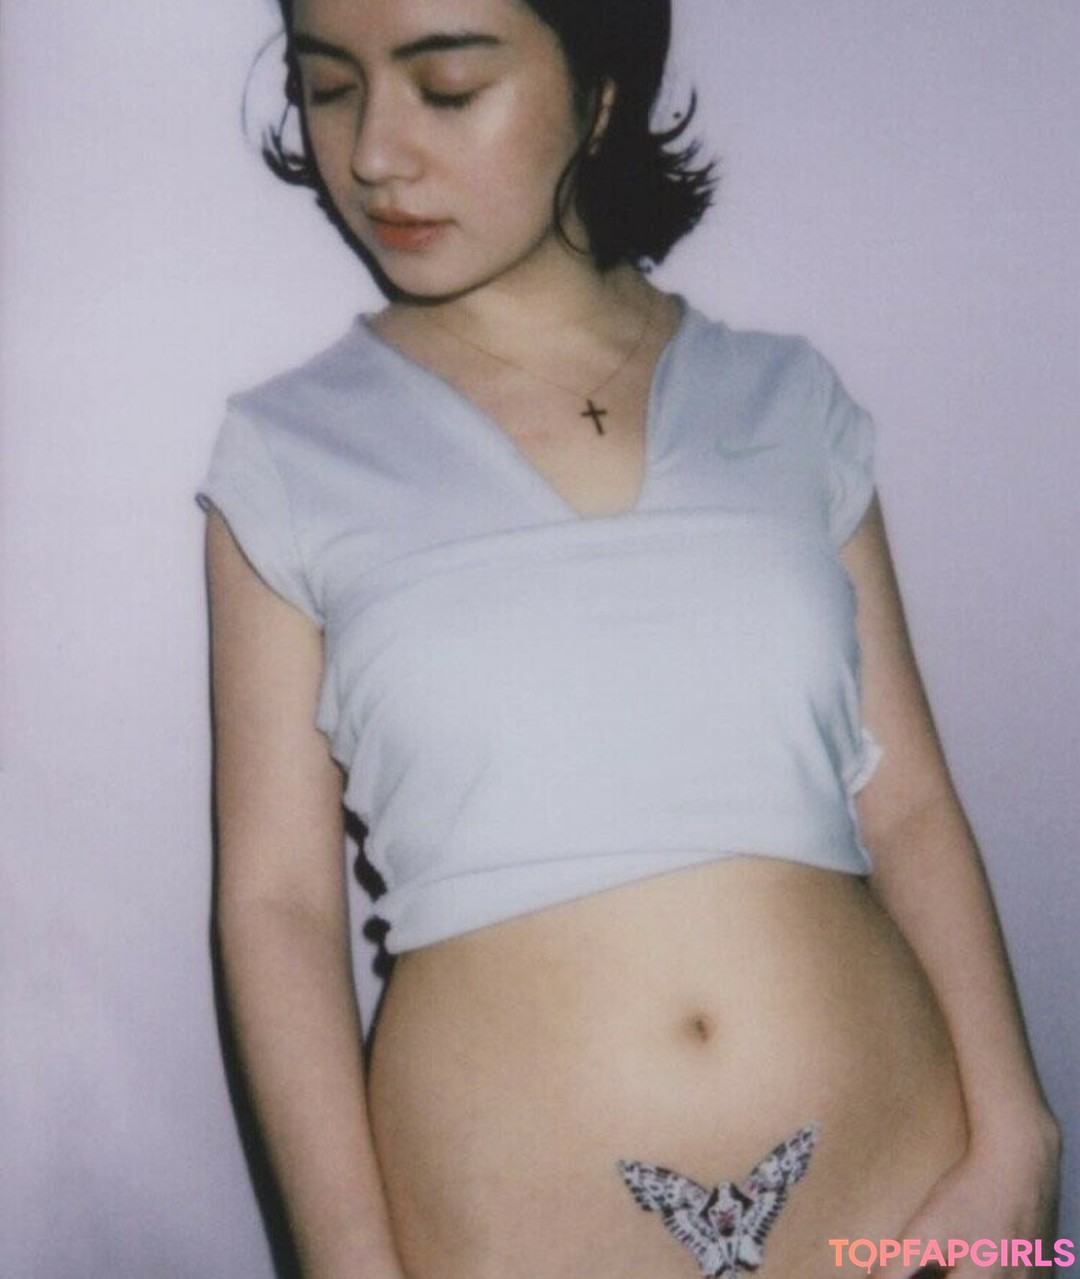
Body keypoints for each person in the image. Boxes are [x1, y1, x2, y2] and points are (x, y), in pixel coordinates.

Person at [199, 2, 1061, 1276]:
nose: (374, 152)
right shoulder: (289, 454)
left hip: (908, 1213)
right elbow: (276, 906)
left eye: (446, 87)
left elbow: (912, 805)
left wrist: (1020, 1141)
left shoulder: (789, 398)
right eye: (330, 88)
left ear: (600, 91)